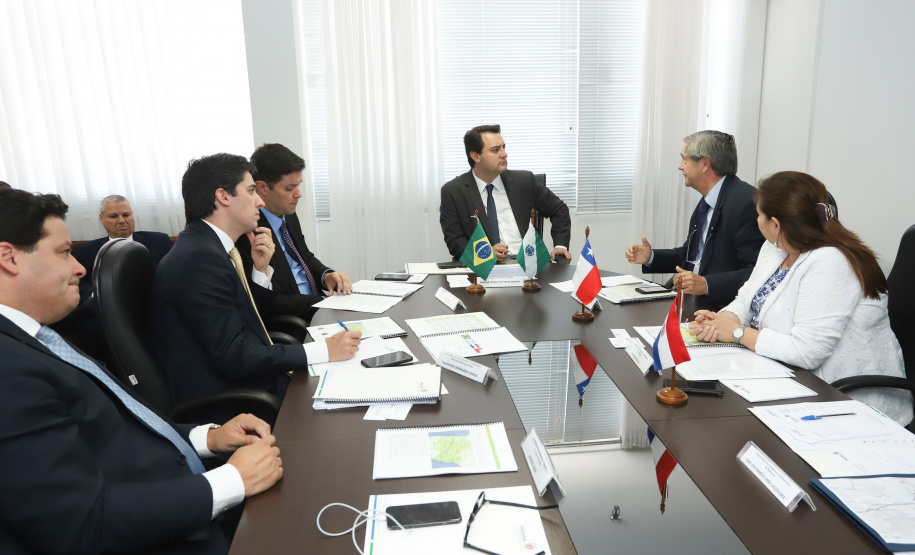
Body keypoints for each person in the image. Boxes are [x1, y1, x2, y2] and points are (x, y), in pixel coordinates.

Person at [0, 188, 283, 554]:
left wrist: (207, 438)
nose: (80, 268)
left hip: (180, 491)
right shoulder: (9, 370)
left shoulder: (35, 335)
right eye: (65, 252)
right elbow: (84, 524)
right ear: (9, 258)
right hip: (176, 532)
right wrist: (233, 480)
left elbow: (111, 433)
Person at [688, 171, 913, 425]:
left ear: (776, 224)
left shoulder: (830, 261)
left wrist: (736, 333)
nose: (756, 220)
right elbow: (746, 297)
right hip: (793, 380)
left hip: (849, 403)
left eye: (759, 215)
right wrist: (723, 320)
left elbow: (807, 352)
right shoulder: (775, 247)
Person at [151, 154, 361, 417]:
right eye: (251, 191)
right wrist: (323, 350)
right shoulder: (199, 259)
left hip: (255, 379)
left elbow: (243, 320)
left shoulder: (208, 247)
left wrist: (260, 272)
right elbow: (234, 357)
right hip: (236, 402)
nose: (260, 201)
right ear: (223, 197)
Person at [625, 130, 764, 305]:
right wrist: (651, 256)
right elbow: (690, 254)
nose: (680, 166)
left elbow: (758, 272)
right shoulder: (710, 199)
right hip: (688, 299)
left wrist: (706, 284)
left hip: (718, 308)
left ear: (705, 164)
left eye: (685, 160)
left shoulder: (745, 203)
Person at [235, 143, 351, 323]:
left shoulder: (288, 213)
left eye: (299, 185)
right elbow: (270, 300)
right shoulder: (249, 230)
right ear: (262, 188)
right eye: (290, 188)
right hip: (296, 319)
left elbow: (305, 257)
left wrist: (325, 275)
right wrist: (321, 302)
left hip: (318, 306)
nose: (298, 194)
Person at [440, 124, 572, 263]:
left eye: (503, 147)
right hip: (483, 268)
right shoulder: (453, 191)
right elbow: (454, 241)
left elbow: (559, 209)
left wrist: (560, 245)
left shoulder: (524, 181)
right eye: (495, 150)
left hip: (529, 265)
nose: (504, 154)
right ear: (476, 156)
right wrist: (485, 254)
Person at [73, 194, 174, 304]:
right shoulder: (86, 251)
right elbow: (78, 282)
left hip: (155, 306)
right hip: (108, 309)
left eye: (126, 215)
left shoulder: (159, 241)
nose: (122, 220)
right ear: (102, 219)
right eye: (114, 216)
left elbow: (176, 271)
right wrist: (100, 298)